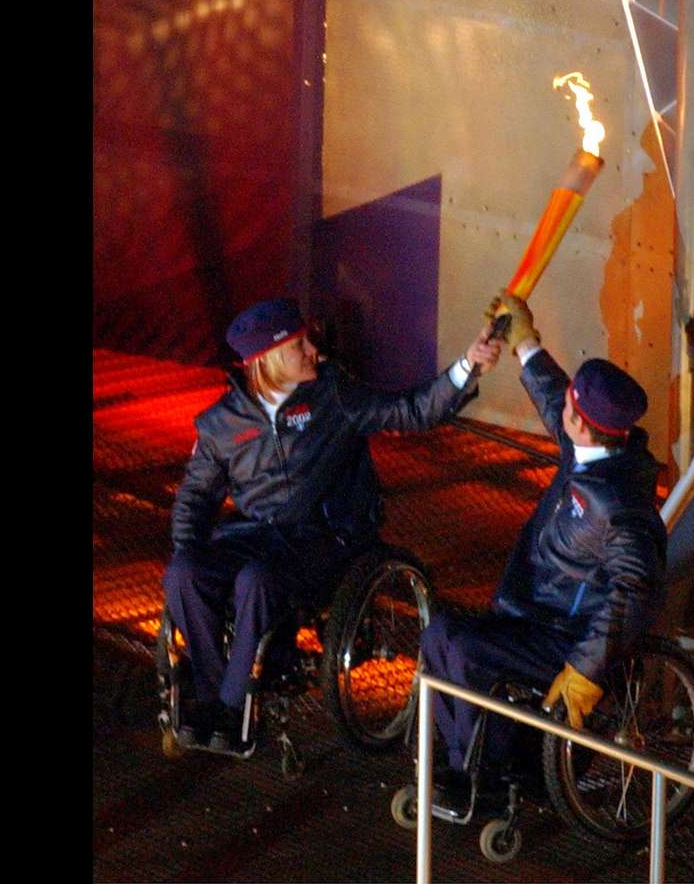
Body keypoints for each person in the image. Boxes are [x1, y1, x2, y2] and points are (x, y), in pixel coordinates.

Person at [164, 297, 503, 751]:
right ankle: (209, 695)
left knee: (256, 580)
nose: (314, 351)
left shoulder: (333, 395)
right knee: (184, 573)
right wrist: (189, 552)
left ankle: (234, 706)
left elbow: (412, 409)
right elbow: (195, 500)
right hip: (254, 533)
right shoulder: (223, 423)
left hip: (326, 537)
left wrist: (468, 367)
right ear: (267, 360)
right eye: (300, 345)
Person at [418, 290, 667, 806]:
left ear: (584, 424)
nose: (563, 414)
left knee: (463, 650)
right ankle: (468, 761)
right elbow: (557, 398)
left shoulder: (617, 503)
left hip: (563, 637)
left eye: (571, 411)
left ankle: (478, 777)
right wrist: (524, 341)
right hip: (527, 613)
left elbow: (634, 590)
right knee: (440, 634)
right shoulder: (593, 447)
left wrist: (584, 671)